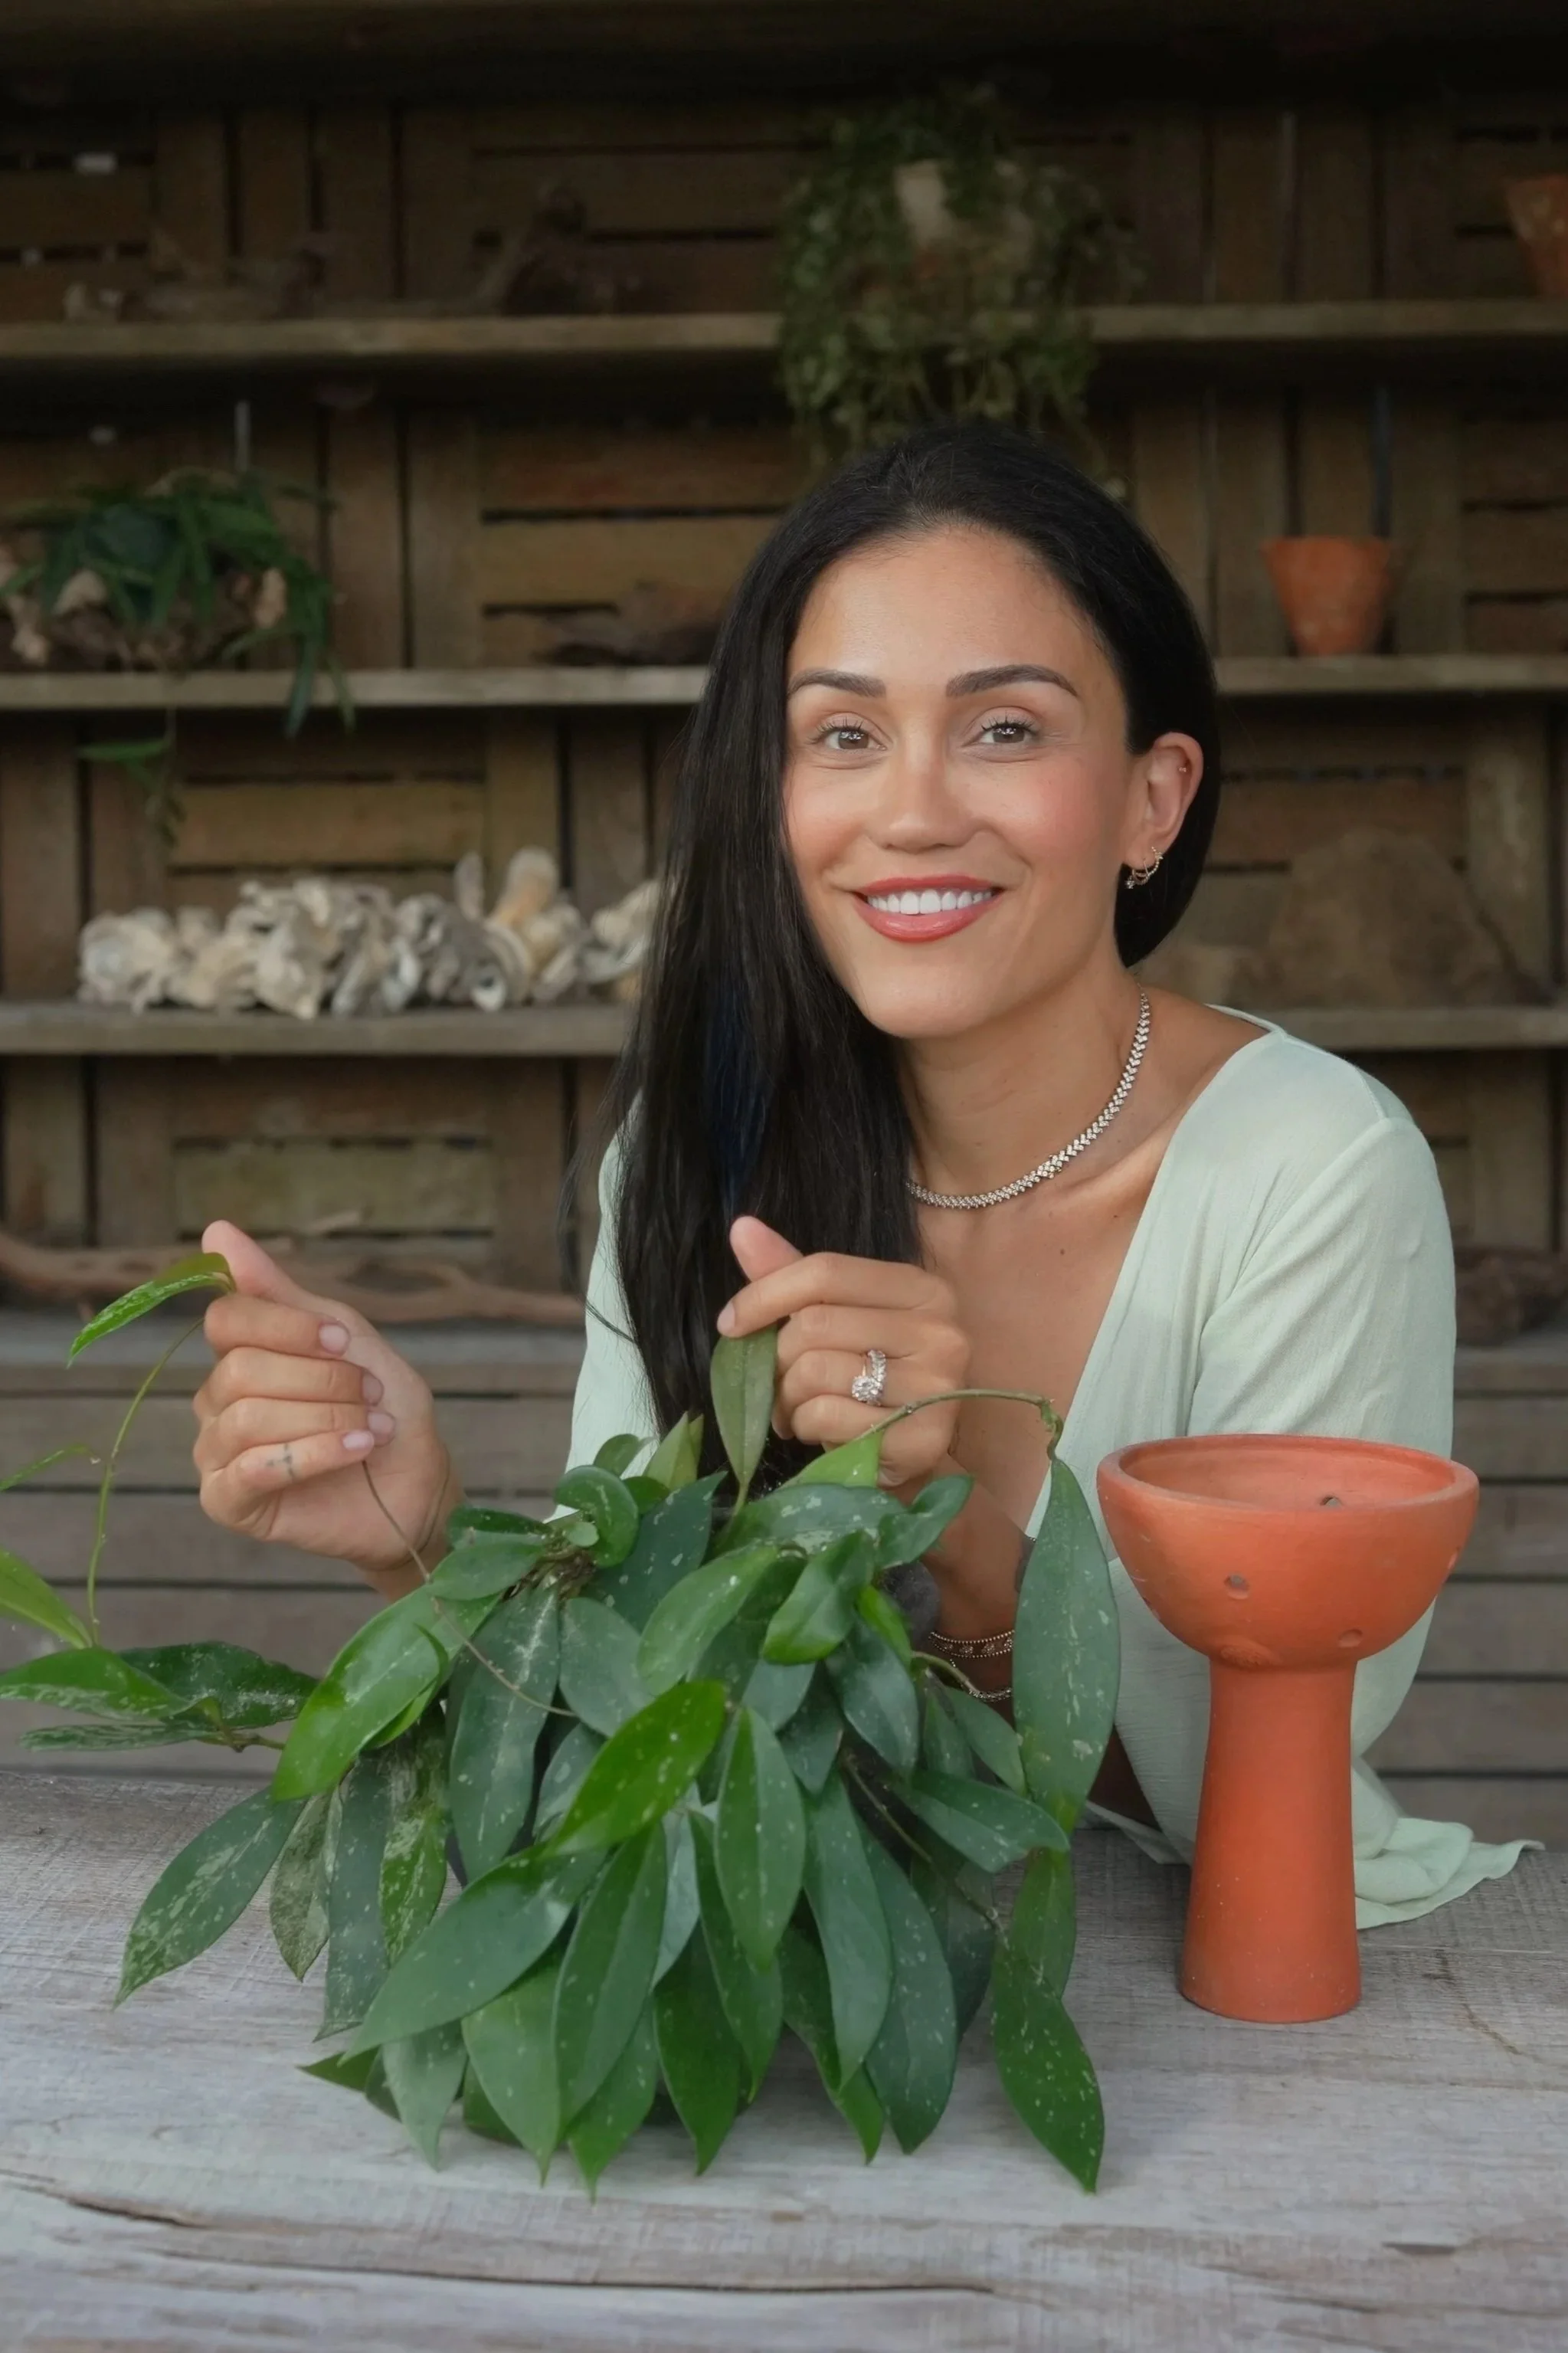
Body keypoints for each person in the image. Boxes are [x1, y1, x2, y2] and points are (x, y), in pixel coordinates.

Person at [192, 418, 1530, 1923]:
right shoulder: (697, 1151)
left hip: (1242, 1986)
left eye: (1005, 727)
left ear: (1153, 798)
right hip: (812, 1992)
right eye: (842, 733)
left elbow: (1259, 1791)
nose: (910, 810)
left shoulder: (1312, 1167)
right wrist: (423, 1544)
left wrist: (953, 1523)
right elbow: (632, 1728)